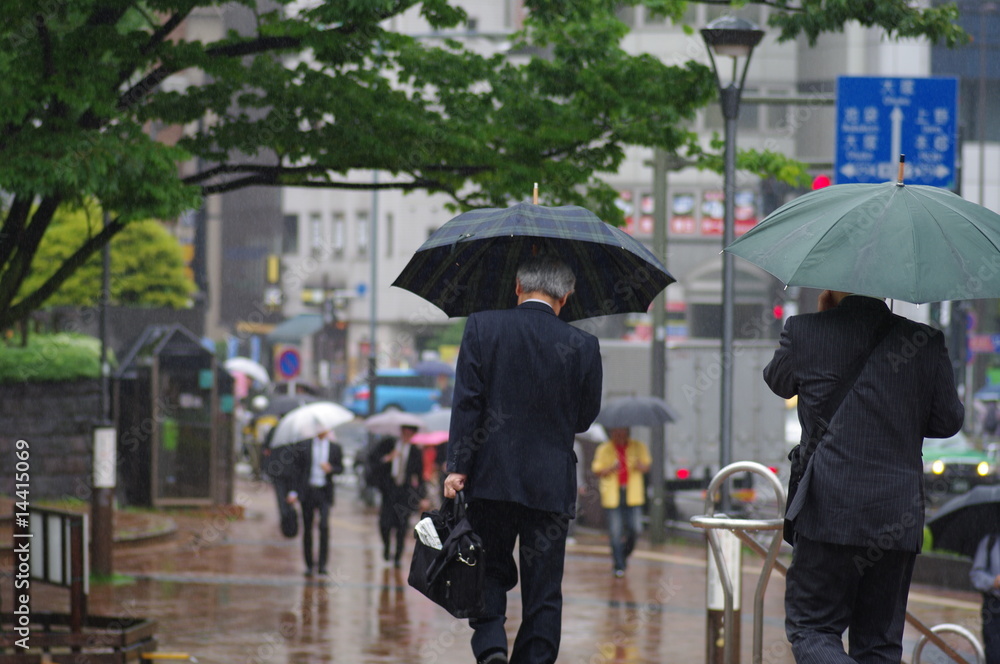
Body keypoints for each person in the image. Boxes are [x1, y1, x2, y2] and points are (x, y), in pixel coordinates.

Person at [764, 289, 964, 663]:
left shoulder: (805, 331)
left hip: (828, 511)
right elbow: (948, 420)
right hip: (897, 516)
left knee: (813, 630)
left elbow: (778, 380)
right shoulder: (924, 340)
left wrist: (825, 316)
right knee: (880, 645)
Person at [443, 255, 603, 664]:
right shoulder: (584, 345)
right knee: (544, 591)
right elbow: (584, 418)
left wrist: (457, 467)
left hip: (491, 478)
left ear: (517, 286)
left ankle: (493, 645)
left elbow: (467, 403)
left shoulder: (482, 326)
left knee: (488, 568)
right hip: (550, 484)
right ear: (565, 297)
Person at [591, 427, 651, 578]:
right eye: (616, 431)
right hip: (613, 494)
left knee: (636, 529)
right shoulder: (604, 449)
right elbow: (597, 471)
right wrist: (612, 468)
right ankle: (618, 564)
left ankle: (623, 554)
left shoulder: (638, 446)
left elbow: (647, 466)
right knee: (615, 531)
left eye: (622, 430)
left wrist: (638, 465)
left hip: (633, 494)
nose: (619, 434)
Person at [286, 426, 344, 577]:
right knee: (307, 527)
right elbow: (296, 470)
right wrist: (293, 492)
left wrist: (331, 468)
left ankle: (323, 564)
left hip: (324, 492)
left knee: (324, 526)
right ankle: (309, 564)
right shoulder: (304, 445)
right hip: (308, 491)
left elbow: (340, 468)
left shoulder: (335, 448)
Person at [371, 424, 425, 567]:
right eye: (405, 432)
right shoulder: (388, 444)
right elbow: (373, 462)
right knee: (384, 523)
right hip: (389, 491)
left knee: (402, 525)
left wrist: (421, 496)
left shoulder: (415, 451)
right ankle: (387, 547)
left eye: (410, 433)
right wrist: (388, 458)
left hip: (404, 493)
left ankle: (397, 557)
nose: (406, 435)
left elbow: (419, 476)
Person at [970, 532, 1000, 664]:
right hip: (994, 608)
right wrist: (993, 581)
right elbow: (976, 574)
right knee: (994, 654)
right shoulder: (990, 542)